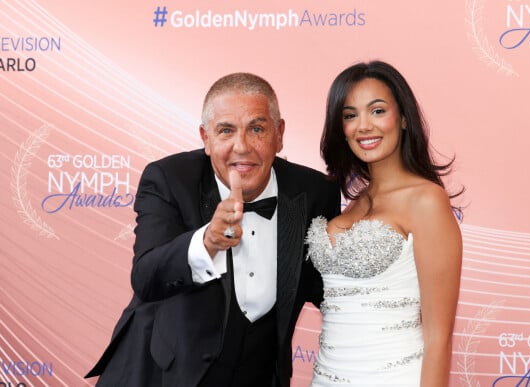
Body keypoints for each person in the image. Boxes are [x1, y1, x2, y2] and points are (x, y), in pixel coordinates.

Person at [85, 72, 341, 386]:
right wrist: (206, 242)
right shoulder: (169, 178)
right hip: (163, 375)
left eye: (257, 129)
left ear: (280, 134)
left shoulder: (315, 192)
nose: (242, 146)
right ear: (206, 139)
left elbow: (326, 286)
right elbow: (147, 277)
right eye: (226, 131)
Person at [305, 61, 463, 386]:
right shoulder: (353, 202)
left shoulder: (426, 200)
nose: (364, 126)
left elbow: (439, 337)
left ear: (403, 118)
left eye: (377, 111)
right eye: (350, 115)